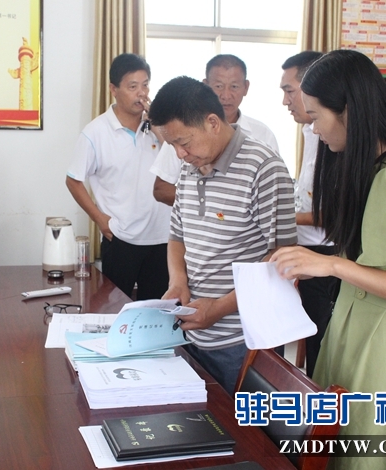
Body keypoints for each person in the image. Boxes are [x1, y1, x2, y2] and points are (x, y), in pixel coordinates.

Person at [270, 50, 386, 470]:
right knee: (332, 449)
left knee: (361, 457)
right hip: (351, 324)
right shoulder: (367, 167)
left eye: (316, 116)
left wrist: (331, 264)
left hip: (380, 340)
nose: (313, 128)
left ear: (346, 109)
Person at [148, 76, 297, 395]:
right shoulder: (191, 166)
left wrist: (218, 309)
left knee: (244, 427)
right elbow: (177, 235)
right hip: (194, 333)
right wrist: (178, 282)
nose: (179, 154)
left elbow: (282, 262)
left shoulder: (264, 168)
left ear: (213, 123)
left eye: (183, 142)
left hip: (244, 342)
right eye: (172, 145)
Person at [66, 53, 170, 300]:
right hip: (121, 237)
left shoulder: (160, 127)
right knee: (113, 309)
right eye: (133, 87)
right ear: (114, 89)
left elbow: (179, 158)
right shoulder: (95, 132)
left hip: (162, 237)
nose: (141, 93)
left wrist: (158, 126)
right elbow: (73, 180)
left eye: (145, 85)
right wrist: (99, 219)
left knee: (157, 310)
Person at [150, 54, 279, 206]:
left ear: (246, 87)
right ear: (205, 85)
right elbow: (161, 188)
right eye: (218, 86)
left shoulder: (263, 135)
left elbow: (272, 195)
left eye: (234, 86)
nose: (226, 95)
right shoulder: (182, 134)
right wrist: (208, 207)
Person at [280, 51, 339, 377]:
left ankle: (324, 402)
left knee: (324, 342)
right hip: (307, 249)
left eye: (290, 91)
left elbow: (331, 213)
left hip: (326, 252)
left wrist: (281, 216)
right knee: (313, 335)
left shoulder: (334, 139)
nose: (286, 101)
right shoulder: (308, 131)